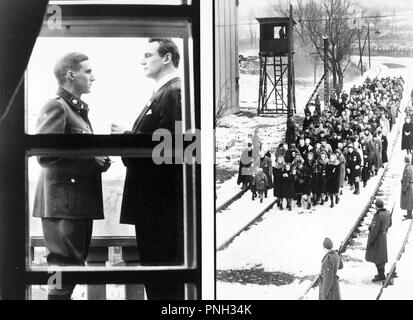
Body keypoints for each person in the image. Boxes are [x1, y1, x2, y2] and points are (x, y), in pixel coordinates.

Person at [32, 52, 111, 299]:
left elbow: (70, 151)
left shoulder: (75, 110)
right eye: (88, 72)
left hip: (73, 205)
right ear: (70, 75)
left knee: (71, 270)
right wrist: (90, 158)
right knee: (63, 270)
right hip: (62, 206)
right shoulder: (56, 106)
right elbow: (45, 155)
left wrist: (97, 161)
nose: (93, 78)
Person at [119, 38, 184, 299]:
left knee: (161, 286)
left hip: (159, 209)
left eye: (148, 55)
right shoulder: (165, 93)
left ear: (167, 57)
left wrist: (125, 138)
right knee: (158, 283)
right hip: (155, 207)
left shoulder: (173, 92)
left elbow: (168, 149)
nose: (142, 60)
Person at [365, 199, 392, 282]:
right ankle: (381, 273)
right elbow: (390, 224)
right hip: (383, 237)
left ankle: (381, 275)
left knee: (378, 258)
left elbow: (374, 230)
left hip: (377, 239)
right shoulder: (387, 213)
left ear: (376, 207)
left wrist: (370, 240)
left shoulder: (378, 215)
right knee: (381, 256)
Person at [401, 154, 413, 220]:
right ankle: (409, 214)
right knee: (410, 201)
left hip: (409, 187)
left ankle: (409, 215)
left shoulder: (407, 169)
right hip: (411, 185)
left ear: (405, 161)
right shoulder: (411, 167)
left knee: (408, 201)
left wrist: (404, 189)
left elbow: (406, 180)